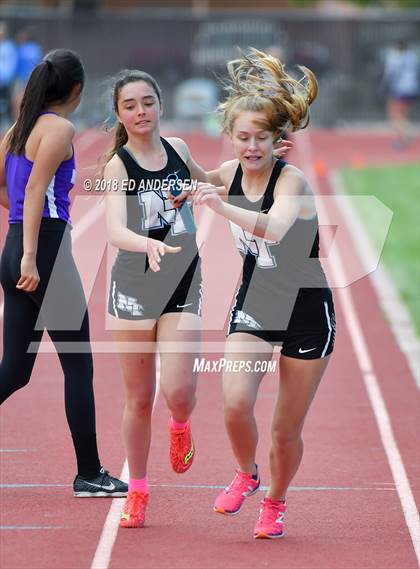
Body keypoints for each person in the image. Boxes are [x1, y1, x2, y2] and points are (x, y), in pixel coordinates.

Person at [103, 68, 295, 529]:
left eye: (147, 102)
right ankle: (139, 491)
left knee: (180, 392)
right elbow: (112, 228)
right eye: (130, 105)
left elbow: (209, 183)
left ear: (161, 105)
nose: (140, 111)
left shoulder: (178, 150)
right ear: (119, 114)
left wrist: (263, 164)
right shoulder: (117, 167)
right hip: (131, 286)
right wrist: (144, 243)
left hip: (183, 283)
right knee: (138, 399)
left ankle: (180, 423)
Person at [193, 48, 336, 539]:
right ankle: (246, 474)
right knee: (234, 401)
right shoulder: (228, 173)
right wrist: (154, 148)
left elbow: (274, 228)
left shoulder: (291, 180)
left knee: (284, 430)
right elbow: (188, 176)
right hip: (256, 302)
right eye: (242, 137)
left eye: (261, 137)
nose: (251, 146)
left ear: (279, 141)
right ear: (229, 138)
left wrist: (218, 206)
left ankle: (274, 503)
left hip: (307, 310)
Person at [0, 49, 128, 498]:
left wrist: (20, 239)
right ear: (75, 90)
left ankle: (89, 472)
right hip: (43, 253)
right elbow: (35, 189)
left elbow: (7, 188)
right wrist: (33, 255)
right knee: (79, 365)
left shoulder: (18, 129)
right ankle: (89, 473)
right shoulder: (59, 129)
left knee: (14, 371)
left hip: (13, 248)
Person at [383, 40, 420, 149]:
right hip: (413, 89)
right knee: (403, 114)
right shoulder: (413, 57)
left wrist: (384, 88)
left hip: (401, 89)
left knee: (394, 114)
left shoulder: (395, 58)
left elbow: (390, 74)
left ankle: (409, 132)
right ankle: (403, 139)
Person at [12, 26, 42, 120]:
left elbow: (17, 65)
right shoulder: (36, 48)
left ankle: (18, 121)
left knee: (17, 100)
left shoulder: (22, 48)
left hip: (22, 78)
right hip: (34, 77)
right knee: (30, 100)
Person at [0, 21, 18, 128]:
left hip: (6, 81)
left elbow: (12, 63)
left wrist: (5, 77)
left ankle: (9, 124)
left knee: (9, 102)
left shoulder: (9, 47)